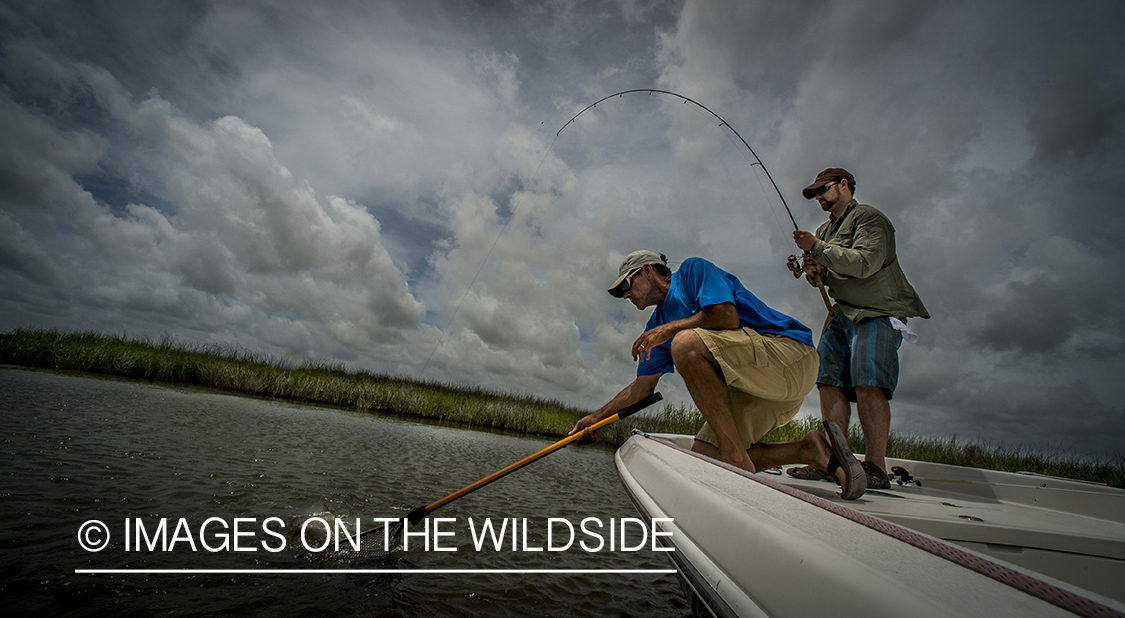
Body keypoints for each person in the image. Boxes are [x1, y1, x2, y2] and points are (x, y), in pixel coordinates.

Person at [569, 250, 866, 500]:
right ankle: (808, 450)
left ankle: (738, 461)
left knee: (685, 343)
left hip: (791, 357)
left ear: (647, 271)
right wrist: (596, 417)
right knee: (706, 454)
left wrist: (669, 330)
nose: (625, 296)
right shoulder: (656, 329)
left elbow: (726, 316)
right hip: (764, 389)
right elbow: (641, 388)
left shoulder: (692, 272)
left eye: (626, 286)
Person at [791, 168, 929, 489]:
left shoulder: (871, 219)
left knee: (869, 380)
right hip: (842, 313)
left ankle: (876, 467)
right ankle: (836, 462)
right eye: (814, 195)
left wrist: (818, 249)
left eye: (823, 190)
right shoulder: (824, 230)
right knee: (828, 380)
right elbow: (822, 279)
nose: (820, 198)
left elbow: (865, 263)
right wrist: (814, 271)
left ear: (844, 185)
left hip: (881, 310)